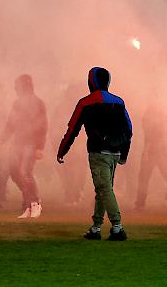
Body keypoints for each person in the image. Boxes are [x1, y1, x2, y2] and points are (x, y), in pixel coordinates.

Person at [57, 67, 132, 241]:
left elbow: (72, 129)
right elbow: (128, 129)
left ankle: (117, 227)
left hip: (98, 153)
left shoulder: (85, 102)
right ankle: (96, 228)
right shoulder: (119, 102)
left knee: (104, 189)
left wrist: (62, 150)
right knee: (103, 189)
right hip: (114, 153)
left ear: (91, 82)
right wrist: (124, 154)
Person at [1, 74, 48, 219]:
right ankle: (29, 205)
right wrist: (2, 140)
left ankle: (35, 203)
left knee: (25, 172)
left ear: (24, 86)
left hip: (31, 143)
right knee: (18, 172)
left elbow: (43, 126)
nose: (15, 88)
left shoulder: (38, 103)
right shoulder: (17, 104)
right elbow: (11, 123)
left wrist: (40, 147)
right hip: (18, 143)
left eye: (17, 85)